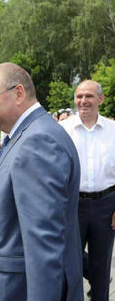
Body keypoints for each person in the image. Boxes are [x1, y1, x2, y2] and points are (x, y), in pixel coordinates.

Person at [0, 62, 83, 300]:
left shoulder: (38, 140)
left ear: (18, 93)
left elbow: (44, 244)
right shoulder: (27, 135)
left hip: (13, 289)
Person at [60, 79, 115, 301]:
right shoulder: (62, 130)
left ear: (100, 99)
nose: (83, 101)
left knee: (101, 270)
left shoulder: (113, 130)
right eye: (79, 96)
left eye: (89, 96)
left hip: (107, 205)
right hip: (72, 205)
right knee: (69, 267)